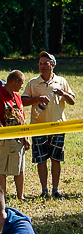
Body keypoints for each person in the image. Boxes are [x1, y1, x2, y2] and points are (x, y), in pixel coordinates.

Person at [22, 51, 75, 198]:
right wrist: (37, 99)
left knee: (56, 158)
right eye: (40, 63)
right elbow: (23, 101)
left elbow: (72, 101)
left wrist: (63, 94)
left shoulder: (61, 81)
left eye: (45, 63)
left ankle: (55, 190)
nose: (42, 66)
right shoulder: (33, 83)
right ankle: (44, 190)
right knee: (41, 159)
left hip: (58, 126)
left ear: (53, 65)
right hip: (38, 127)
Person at [0, 71, 30, 199]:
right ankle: (2, 197)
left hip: (20, 140)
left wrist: (26, 137)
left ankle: (20, 196)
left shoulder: (16, 97)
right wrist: (4, 136)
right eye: (21, 83)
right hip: (7, 139)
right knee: (2, 169)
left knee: (20, 168)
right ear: (15, 81)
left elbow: (22, 118)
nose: (21, 87)